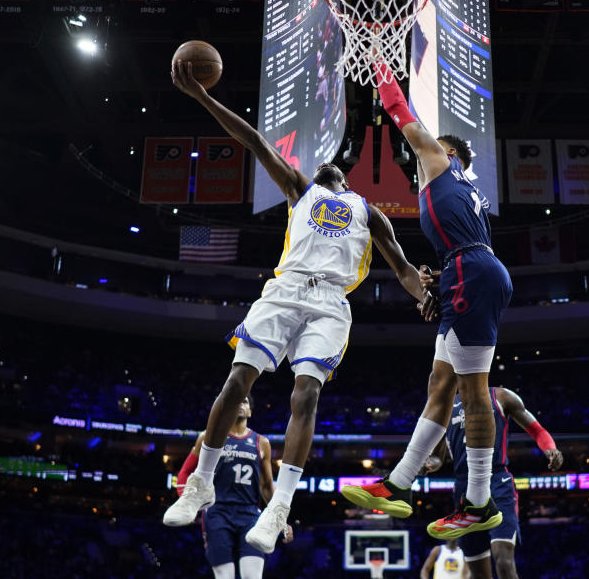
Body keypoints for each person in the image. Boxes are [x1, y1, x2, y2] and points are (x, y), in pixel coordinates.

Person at [163, 60, 431, 555]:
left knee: (305, 394)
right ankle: (200, 481)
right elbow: (253, 139)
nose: (330, 166)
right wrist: (201, 96)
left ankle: (280, 504)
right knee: (236, 381)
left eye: (338, 168)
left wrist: (427, 296)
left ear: (348, 183)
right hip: (284, 290)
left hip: (331, 303)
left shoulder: (368, 212)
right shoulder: (299, 189)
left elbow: (404, 269)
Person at [341, 63, 513, 539]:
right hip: (469, 269)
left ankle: (479, 502)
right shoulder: (462, 190)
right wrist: (442, 278)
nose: (420, 150)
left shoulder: (441, 162)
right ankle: (397, 484)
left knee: (474, 392)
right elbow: (471, 244)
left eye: (434, 144)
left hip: (472, 273)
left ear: (448, 151)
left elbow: (399, 110)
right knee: (441, 382)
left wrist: (378, 63)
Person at [425, 387, 562, 579]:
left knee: (504, 562)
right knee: (479, 574)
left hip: (497, 482)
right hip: (465, 489)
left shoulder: (501, 397)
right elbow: (438, 458)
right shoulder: (445, 407)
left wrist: (550, 449)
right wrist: (428, 463)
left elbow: (537, 430)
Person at [174, 395, 293, 579]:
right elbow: (184, 473)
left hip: (250, 514)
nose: (240, 404)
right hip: (217, 513)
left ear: (250, 411)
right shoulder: (208, 437)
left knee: (252, 576)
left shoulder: (261, 442)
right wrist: (186, 503)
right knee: (225, 577)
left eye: (244, 401)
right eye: (236, 401)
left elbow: (267, 487)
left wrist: (281, 519)